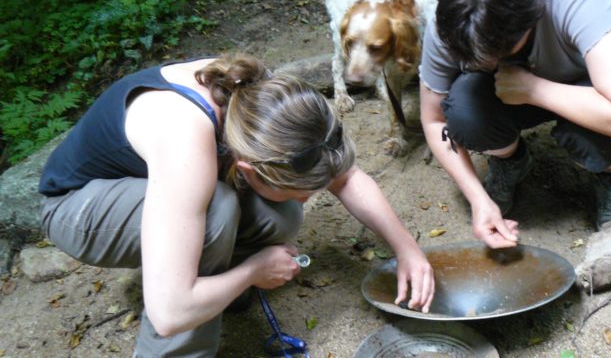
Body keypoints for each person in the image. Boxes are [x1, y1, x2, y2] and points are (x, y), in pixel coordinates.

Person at [38, 52, 435, 356]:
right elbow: (169, 311)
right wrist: (251, 271)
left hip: (155, 183)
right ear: (246, 168)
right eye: (302, 189)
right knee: (217, 211)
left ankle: (212, 287)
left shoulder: (268, 101)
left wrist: (407, 250)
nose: (310, 198)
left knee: (279, 212)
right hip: (78, 207)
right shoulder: (185, 142)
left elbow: (344, 176)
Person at [418, 0, 611, 248]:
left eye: (495, 52)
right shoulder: (453, 20)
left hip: (591, 82)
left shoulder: (579, 4)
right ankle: (510, 161)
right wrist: (478, 199)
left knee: (602, 138)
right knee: (464, 112)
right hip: (506, 87)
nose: (485, 60)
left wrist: (533, 89)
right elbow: (434, 120)